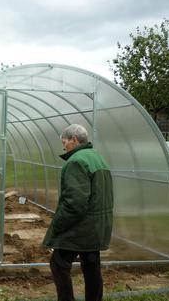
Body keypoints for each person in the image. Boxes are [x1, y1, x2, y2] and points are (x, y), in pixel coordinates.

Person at [42, 124, 113, 301]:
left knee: (58, 264)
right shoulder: (98, 158)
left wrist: (57, 226)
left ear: (74, 139)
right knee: (91, 266)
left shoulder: (76, 161)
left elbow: (75, 204)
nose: (64, 146)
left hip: (80, 229)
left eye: (64, 142)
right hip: (97, 227)